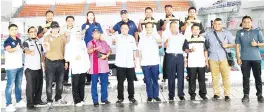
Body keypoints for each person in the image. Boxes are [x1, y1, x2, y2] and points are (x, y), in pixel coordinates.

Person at [235, 15, 264, 103]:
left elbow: (263, 43)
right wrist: (238, 57)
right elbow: (237, 46)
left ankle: (259, 95)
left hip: (256, 58)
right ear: (242, 23)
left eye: (248, 22)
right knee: (245, 78)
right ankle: (246, 95)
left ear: (251, 23)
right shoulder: (239, 33)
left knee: (258, 78)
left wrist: (257, 44)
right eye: (245, 22)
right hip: (244, 59)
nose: (246, 23)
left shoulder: (257, 32)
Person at [205, 18, 234, 102]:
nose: (217, 25)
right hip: (213, 58)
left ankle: (227, 95)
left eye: (219, 24)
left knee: (226, 77)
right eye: (215, 24)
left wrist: (227, 46)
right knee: (215, 77)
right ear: (213, 24)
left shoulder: (227, 33)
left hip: (224, 58)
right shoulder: (209, 34)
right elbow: (206, 47)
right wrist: (206, 59)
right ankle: (216, 94)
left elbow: (233, 44)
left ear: (222, 24)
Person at [43, 21, 68, 106]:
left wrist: (66, 61)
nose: (55, 29)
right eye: (53, 28)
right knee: (49, 82)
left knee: (60, 83)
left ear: (58, 28)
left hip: (60, 62)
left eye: (56, 28)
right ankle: (49, 100)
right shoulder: (46, 37)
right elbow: (46, 49)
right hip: (50, 62)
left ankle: (58, 98)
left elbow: (65, 49)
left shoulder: (62, 37)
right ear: (51, 28)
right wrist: (51, 40)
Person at [110, 9, 139, 81]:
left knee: (131, 60)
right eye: (122, 15)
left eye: (125, 14)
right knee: (123, 60)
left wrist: (136, 41)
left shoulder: (132, 22)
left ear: (127, 14)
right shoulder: (118, 24)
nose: (124, 16)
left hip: (131, 43)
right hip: (122, 45)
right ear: (121, 16)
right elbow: (112, 31)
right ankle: (124, 76)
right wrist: (110, 30)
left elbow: (136, 32)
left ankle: (133, 76)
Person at [113, 23, 138, 104]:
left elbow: (134, 49)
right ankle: (120, 98)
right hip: (120, 63)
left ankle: (131, 97)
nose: (124, 29)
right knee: (120, 82)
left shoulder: (132, 38)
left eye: (126, 28)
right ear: (120, 29)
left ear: (128, 29)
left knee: (131, 81)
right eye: (122, 28)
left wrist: (135, 60)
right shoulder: (117, 37)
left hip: (130, 63)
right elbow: (112, 40)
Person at [23, 26, 47, 109]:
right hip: (30, 68)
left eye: (34, 31)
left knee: (39, 85)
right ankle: (30, 103)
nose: (33, 33)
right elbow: (25, 50)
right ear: (28, 33)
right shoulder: (26, 42)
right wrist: (30, 52)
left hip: (38, 67)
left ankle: (37, 100)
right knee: (30, 87)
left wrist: (44, 64)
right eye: (31, 31)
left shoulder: (39, 41)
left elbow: (43, 53)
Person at [65, 30, 90, 107]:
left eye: (79, 34)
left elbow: (86, 55)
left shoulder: (83, 43)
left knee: (82, 84)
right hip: (75, 67)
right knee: (75, 84)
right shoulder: (69, 44)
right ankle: (77, 100)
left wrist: (88, 66)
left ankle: (81, 99)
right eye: (76, 34)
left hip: (83, 66)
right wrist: (74, 57)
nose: (78, 35)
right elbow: (66, 56)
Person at [4, 24, 26, 112]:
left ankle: (18, 101)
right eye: (12, 29)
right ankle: (8, 104)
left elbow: (21, 51)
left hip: (19, 66)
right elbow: (9, 50)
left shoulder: (19, 40)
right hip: (11, 67)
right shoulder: (7, 40)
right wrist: (16, 48)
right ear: (9, 31)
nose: (14, 31)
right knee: (9, 86)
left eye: (16, 29)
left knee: (19, 85)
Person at [87, 28, 112, 106]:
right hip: (94, 66)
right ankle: (95, 100)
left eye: (98, 33)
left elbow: (109, 50)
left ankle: (104, 99)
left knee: (104, 83)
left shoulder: (104, 42)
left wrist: (106, 55)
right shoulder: (90, 43)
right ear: (92, 35)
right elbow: (88, 51)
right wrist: (95, 49)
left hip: (103, 66)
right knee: (94, 84)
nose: (97, 35)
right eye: (95, 33)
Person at [138, 22, 162, 102]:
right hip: (145, 63)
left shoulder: (156, 36)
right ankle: (150, 96)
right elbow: (140, 51)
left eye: (150, 27)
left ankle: (156, 96)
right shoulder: (142, 38)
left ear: (152, 28)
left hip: (155, 62)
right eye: (147, 27)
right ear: (145, 28)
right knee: (148, 80)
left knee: (155, 80)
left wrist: (155, 36)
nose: (149, 29)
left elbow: (160, 42)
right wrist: (140, 62)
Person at [184, 24, 208, 101]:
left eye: (197, 29)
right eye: (194, 29)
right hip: (192, 63)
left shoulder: (203, 39)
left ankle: (203, 94)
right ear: (191, 30)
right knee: (192, 79)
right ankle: (192, 94)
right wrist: (190, 50)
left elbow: (205, 50)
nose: (195, 31)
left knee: (202, 79)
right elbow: (185, 49)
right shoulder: (187, 39)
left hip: (201, 62)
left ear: (199, 31)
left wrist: (206, 61)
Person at [164, 21, 187, 101]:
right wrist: (167, 41)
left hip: (180, 57)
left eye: (176, 26)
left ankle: (181, 94)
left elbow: (184, 49)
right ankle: (171, 95)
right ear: (170, 28)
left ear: (178, 28)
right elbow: (164, 46)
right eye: (173, 27)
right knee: (171, 77)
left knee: (181, 76)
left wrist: (185, 59)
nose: (174, 28)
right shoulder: (167, 36)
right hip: (170, 57)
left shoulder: (182, 37)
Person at [81, 11, 103, 85]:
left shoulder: (97, 24)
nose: (90, 16)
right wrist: (85, 29)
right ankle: (89, 78)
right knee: (88, 62)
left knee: (98, 61)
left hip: (97, 46)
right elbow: (81, 34)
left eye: (92, 15)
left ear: (94, 16)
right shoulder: (84, 25)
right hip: (88, 45)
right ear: (87, 17)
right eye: (89, 15)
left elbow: (101, 35)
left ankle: (98, 78)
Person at [61, 15, 79, 85]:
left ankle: (74, 79)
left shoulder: (77, 29)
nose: (70, 22)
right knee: (66, 64)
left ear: (73, 21)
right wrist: (64, 35)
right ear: (66, 21)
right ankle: (65, 80)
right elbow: (60, 38)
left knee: (74, 64)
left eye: (71, 20)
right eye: (68, 21)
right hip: (65, 49)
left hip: (74, 49)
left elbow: (79, 37)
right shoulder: (62, 29)